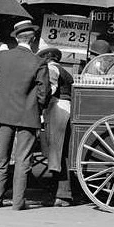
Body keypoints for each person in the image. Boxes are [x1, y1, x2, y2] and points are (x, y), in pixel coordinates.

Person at [0, 20, 50, 210]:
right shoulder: (39, 62)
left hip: (4, 112)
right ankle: (17, 203)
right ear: (34, 40)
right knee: (23, 160)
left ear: (17, 37)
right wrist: (37, 107)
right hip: (27, 115)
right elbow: (43, 92)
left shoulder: (3, 55)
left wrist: (0, 51)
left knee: (2, 158)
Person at [37, 46, 73, 207]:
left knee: (55, 150)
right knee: (61, 152)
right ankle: (62, 193)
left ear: (46, 58)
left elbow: (49, 90)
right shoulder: (63, 69)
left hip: (57, 108)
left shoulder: (51, 69)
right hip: (65, 108)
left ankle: (62, 194)